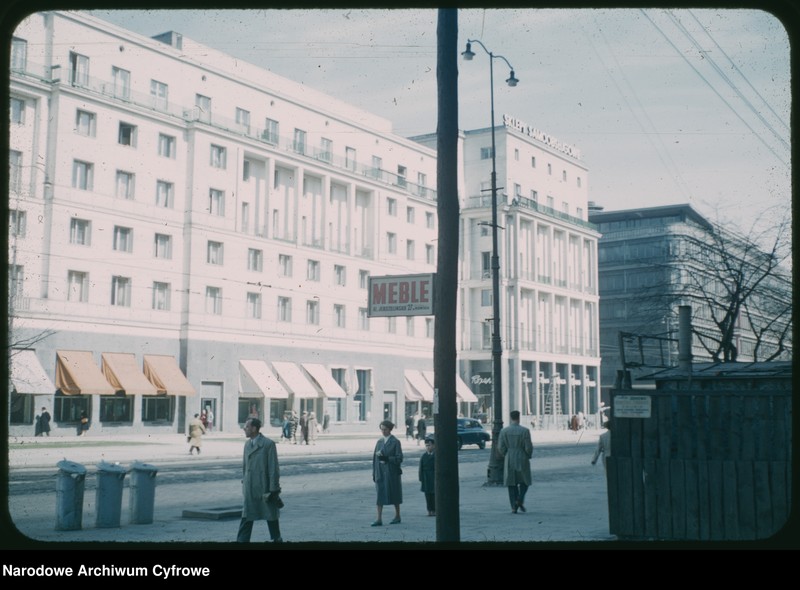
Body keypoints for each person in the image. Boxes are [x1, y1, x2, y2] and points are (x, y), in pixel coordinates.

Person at [237, 417, 283, 543]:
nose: (244, 429)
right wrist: (244, 482)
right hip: (250, 488)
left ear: (254, 428)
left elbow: (274, 469)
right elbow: (245, 467)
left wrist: (274, 489)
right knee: (247, 515)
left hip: (264, 488)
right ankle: (242, 540)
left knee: (270, 515)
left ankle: (277, 538)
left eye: (246, 426)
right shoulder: (247, 444)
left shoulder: (268, 444)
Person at [497, 410, 533, 514]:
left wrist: (506, 454)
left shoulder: (504, 431)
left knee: (511, 482)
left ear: (510, 418)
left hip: (510, 456)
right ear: (519, 418)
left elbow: (500, 447)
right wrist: (528, 455)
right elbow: (528, 447)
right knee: (524, 481)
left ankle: (513, 506)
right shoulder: (525, 431)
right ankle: (520, 499)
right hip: (522, 456)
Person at [372, 420, 403, 526]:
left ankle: (397, 515)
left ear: (390, 429)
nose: (383, 431)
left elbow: (399, 458)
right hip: (380, 472)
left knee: (394, 494)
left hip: (391, 472)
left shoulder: (395, 442)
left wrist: (388, 459)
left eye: (385, 429)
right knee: (379, 495)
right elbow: (374, 459)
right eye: (382, 429)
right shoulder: (379, 442)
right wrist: (374, 473)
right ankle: (379, 518)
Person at [419, 435, 436, 516]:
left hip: (433, 477)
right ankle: (429, 510)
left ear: (434, 445)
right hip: (426, 477)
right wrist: (421, 478)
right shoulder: (424, 456)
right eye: (427, 446)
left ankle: (434, 510)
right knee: (427, 495)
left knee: (434, 495)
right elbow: (421, 468)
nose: (428, 447)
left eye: (429, 445)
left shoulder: (436, 455)